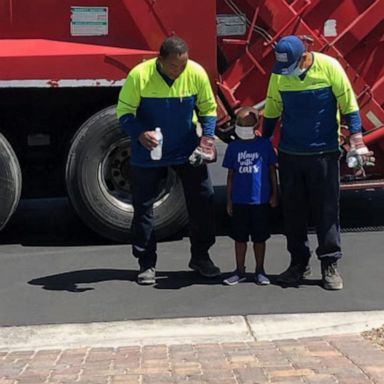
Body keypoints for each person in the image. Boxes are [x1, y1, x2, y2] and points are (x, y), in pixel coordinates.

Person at [262, 35, 374, 290]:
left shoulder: (329, 67)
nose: (286, 72)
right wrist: (263, 142)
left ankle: (329, 264)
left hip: (324, 153)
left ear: (304, 56)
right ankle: (298, 263)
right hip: (290, 154)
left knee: (327, 211)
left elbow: (349, 105)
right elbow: (272, 109)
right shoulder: (279, 74)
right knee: (293, 213)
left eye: (290, 66)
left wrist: (357, 140)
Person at [116, 36, 221, 285]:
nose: (179, 70)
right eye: (174, 66)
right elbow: (124, 112)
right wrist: (140, 133)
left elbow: (208, 108)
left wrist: (207, 137)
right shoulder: (139, 75)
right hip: (149, 152)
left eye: (183, 64)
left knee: (203, 200)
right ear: (160, 60)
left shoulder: (195, 72)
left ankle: (201, 256)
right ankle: (146, 262)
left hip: (186, 149)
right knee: (143, 207)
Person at [222, 107, 278, 286]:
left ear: (256, 125)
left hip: (260, 201)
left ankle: (260, 270)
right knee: (239, 238)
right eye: (239, 124)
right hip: (239, 200)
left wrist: (274, 194)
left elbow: (272, 172)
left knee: (260, 238)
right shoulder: (233, 147)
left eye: (246, 124)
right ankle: (239, 270)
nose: (242, 127)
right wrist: (229, 200)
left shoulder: (264, 145)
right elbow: (230, 176)